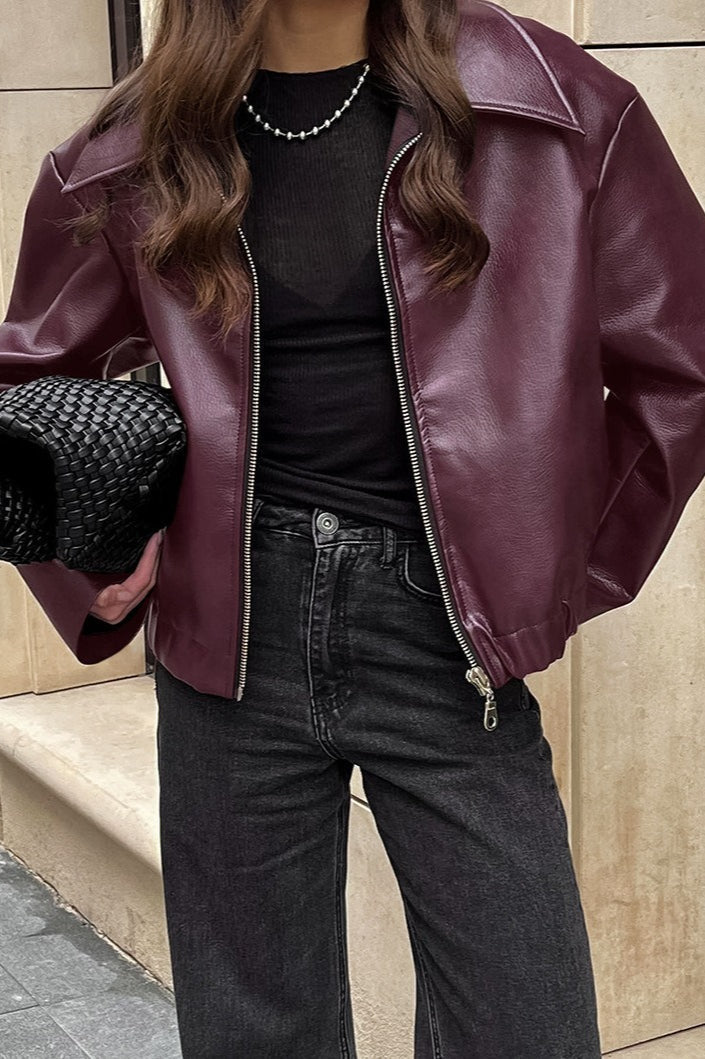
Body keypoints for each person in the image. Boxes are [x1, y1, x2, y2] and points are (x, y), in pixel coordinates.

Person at [3, 0, 705, 1055]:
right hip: (230, 638)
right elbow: (27, 390)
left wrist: (551, 574)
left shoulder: (549, 103)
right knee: (255, 1036)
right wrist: (91, 559)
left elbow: (682, 366)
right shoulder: (132, 151)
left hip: (442, 640)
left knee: (526, 1026)